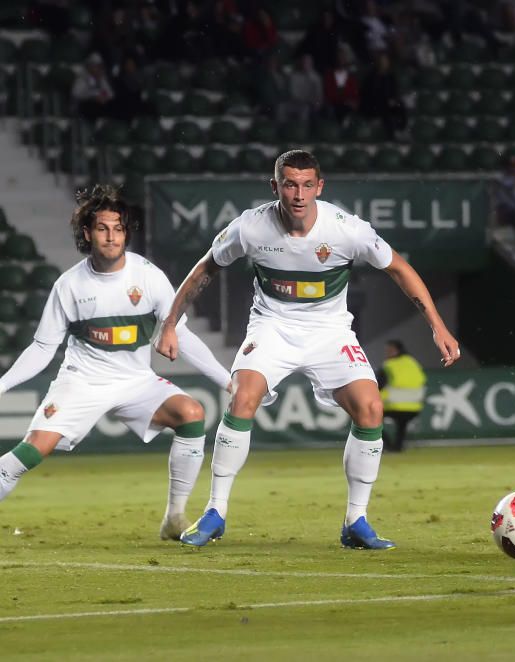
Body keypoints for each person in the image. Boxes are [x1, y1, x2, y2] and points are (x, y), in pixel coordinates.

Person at [155, 149, 460, 550]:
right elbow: (205, 269)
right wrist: (170, 323)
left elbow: (399, 269)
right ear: (275, 185)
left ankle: (356, 520)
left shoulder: (346, 230)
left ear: (320, 186)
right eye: (289, 184)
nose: (298, 194)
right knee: (243, 397)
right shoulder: (250, 228)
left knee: (370, 409)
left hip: (330, 332)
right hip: (272, 327)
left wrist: (437, 325)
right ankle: (216, 512)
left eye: (306, 184)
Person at [0, 185, 231, 541]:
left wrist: (227, 381)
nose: (111, 236)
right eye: (103, 228)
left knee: (191, 413)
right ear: (87, 233)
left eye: (118, 228)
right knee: (30, 452)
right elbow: (42, 349)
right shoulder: (69, 286)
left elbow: (180, 335)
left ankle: (174, 517)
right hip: (82, 381)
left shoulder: (148, 275)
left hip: (135, 380)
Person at [376, 340, 426, 452]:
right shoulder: (413, 362)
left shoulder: (388, 365)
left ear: (397, 350)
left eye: (389, 350)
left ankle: (387, 445)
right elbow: (422, 381)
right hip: (414, 406)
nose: (387, 353)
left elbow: (378, 385)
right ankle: (397, 447)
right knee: (402, 425)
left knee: (372, 419)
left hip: (392, 404)